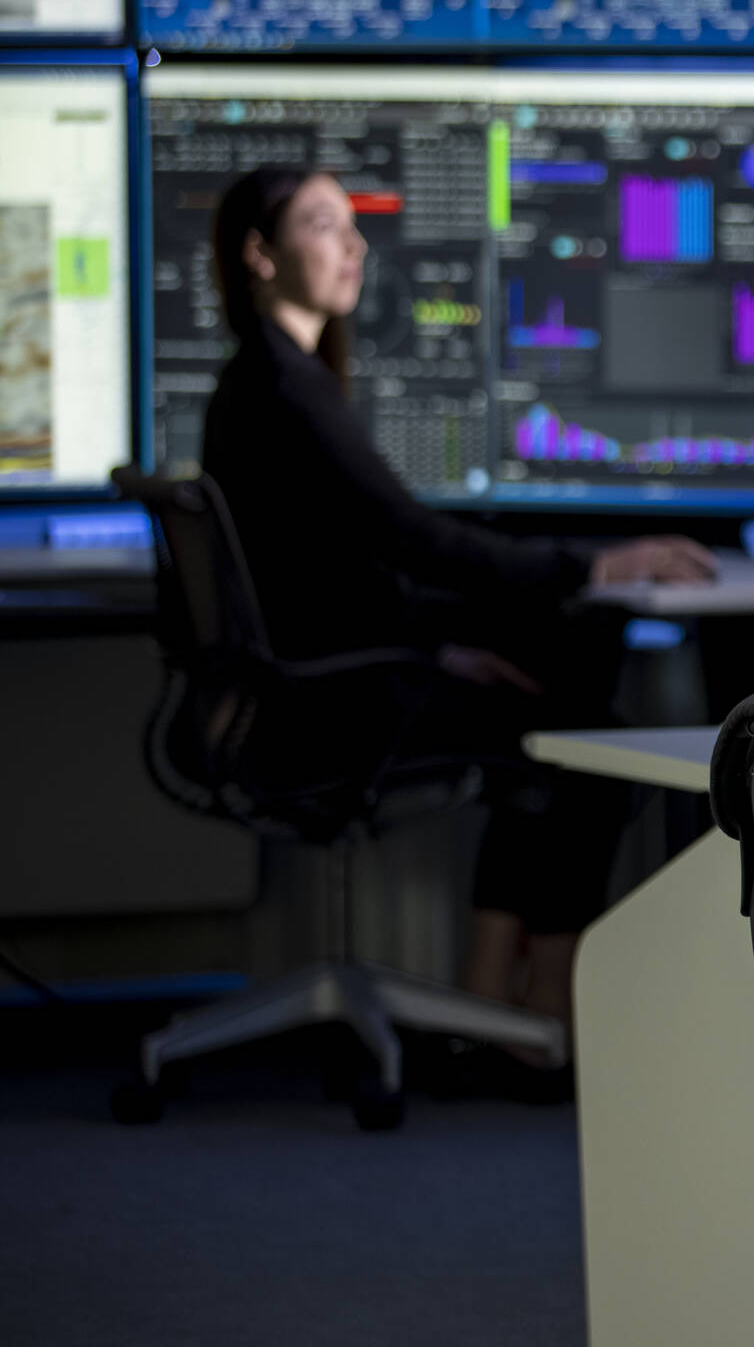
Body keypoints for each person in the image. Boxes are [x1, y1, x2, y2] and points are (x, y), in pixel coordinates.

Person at [197, 164, 716, 1074]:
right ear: (260, 254)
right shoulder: (285, 388)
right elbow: (410, 539)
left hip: (312, 678)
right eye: (322, 225)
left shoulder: (268, 379)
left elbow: (326, 579)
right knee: (585, 741)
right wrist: (596, 564)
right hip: (323, 701)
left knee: (567, 683)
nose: (354, 245)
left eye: (353, 225)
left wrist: (441, 644)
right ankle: (539, 1006)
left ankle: (492, 987)